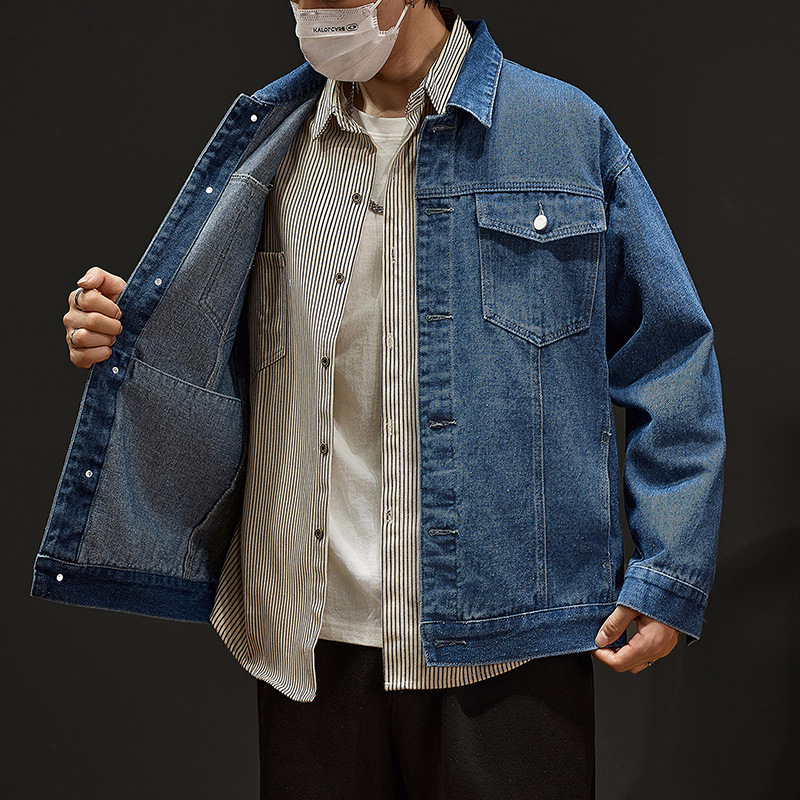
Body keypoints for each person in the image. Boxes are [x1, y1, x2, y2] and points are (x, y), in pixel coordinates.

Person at [35, 1, 725, 797]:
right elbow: (232, 346)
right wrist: (134, 332)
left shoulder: (563, 131)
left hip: (508, 638)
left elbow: (669, 352)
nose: (313, 10)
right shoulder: (275, 139)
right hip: (309, 643)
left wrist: (667, 574)